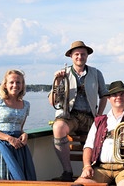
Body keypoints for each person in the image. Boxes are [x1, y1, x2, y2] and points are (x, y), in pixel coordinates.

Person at [48, 40, 108, 181]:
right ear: (71, 56)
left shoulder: (96, 73)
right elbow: (52, 102)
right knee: (58, 127)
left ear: (87, 56)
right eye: (77, 54)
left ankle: (90, 172)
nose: (80, 57)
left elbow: (104, 95)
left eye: (83, 54)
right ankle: (67, 172)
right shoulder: (63, 74)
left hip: (89, 117)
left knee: (102, 135)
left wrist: (99, 113)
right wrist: (57, 81)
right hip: (70, 116)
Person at [74, 80, 124, 186]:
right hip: (100, 168)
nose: (118, 97)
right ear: (109, 98)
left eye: (122, 94)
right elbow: (88, 146)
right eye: (114, 95)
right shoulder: (100, 121)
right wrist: (87, 166)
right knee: (78, 185)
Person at [0, 69, 36, 180]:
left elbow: (20, 128)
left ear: (22, 85)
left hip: (17, 146)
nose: (15, 85)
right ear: (5, 85)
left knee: (18, 178)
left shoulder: (26, 105)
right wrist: (8, 138)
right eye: (11, 82)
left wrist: (24, 134)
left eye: (18, 82)